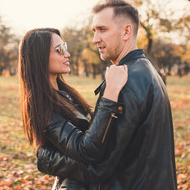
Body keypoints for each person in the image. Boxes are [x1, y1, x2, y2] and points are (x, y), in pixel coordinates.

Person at [37, 0, 178, 189]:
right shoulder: (147, 71)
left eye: (102, 30)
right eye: (94, 31)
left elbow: (99, 163)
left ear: (126, 31)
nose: (95, 39)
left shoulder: (123, 83)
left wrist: (47, 159)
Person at [18, 28, 128, 189]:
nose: (67, 54)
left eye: (65, 47)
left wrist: (47, 160)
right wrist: (111, 92)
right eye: (59, 50)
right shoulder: (43, 106)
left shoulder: (64, 94)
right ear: (39, 57)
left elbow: (93, 134)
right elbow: (86, 150)